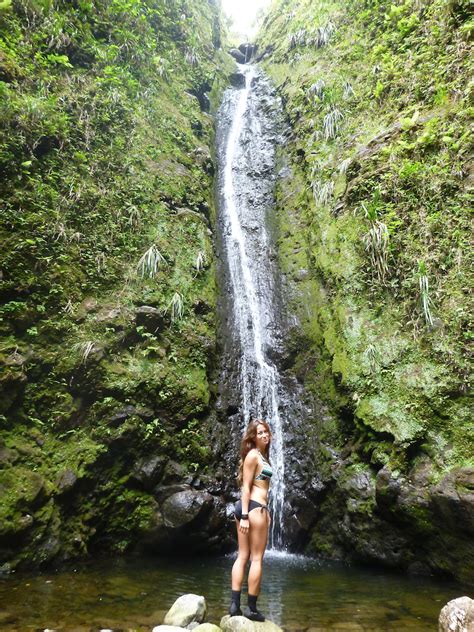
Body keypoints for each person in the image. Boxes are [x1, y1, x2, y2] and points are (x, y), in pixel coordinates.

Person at [229, 419, 273, 622]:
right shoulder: (253, 456)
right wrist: (245, 515)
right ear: (253, 437)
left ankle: (235, 606)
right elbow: (246, 487)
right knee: (255, 559)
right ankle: (251, 609)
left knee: (243, 556)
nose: (265, 435)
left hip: (252, 508)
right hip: (252, 508)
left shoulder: (260, 456)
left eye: (267, 432)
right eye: (261, 432)